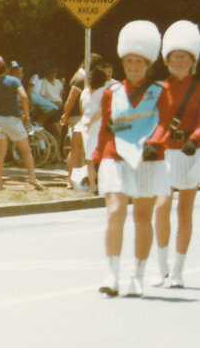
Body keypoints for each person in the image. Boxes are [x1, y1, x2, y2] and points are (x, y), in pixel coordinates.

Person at [93, 21, 169, 298]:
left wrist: (154, 144)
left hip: (147, 159)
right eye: (129, 61)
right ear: (122, 63)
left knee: (143, 216)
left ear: (147, 64)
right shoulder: (111, 93)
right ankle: (112, 275)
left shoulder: (159, 92)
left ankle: (137, 276)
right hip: (116, 157)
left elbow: (164, 124)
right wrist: (97, 157)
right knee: (115, 212)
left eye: (139, 62)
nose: (134, 67)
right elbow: (105, 129)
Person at [151, 21, 200, 289]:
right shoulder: (159, 88)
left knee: (185, 211)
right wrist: (153, 143)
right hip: (166, 152)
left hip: (190, 153)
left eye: (184, 56)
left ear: (192, 60)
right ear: (167, 59)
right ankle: (161, 267)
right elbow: (157, 122)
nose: (179, 61)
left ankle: (178, 270)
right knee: (161, 206)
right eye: (174, 56)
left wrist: (195, 140)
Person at [0, 56, 44, 191]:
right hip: (14, 120)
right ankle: (32, 178)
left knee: (0, 154)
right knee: (26, 151)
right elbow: (24, 96)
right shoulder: (14, 81)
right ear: (6, 68)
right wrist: (26, 114)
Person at [60, 53, 104, 188]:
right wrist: (65, 114)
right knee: (76, 149)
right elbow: (71, 99)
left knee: (81, 150)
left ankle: (77, 179)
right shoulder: (80, 79)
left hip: (81, 117)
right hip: (78, 117)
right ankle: (70, 179)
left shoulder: (81, 77)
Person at [74, 66, 112, 194]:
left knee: (89, 159)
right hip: (99, 125)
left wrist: (87, 120)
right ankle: (103, 184)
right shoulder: (104, 92)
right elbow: (103, 110)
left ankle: (93, 186)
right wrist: (92, 121)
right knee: (103, 157)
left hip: (86, 126)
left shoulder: (84, 92)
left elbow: (82, 108)